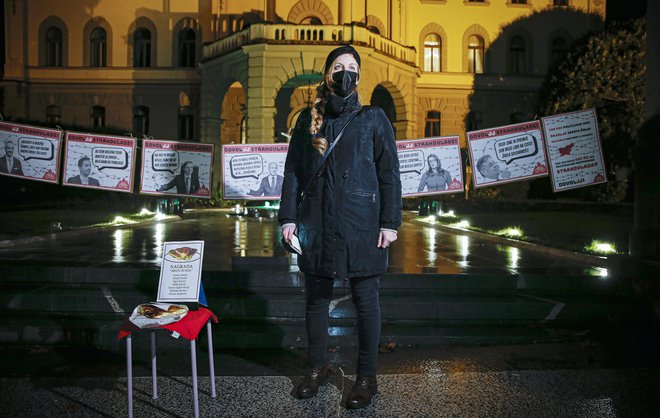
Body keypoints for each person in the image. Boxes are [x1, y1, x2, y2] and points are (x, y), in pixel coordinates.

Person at [279, 45, 402, 410]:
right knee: (316, 300)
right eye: (338, 66)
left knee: (366, 301)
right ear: (328, 74)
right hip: (316, 223)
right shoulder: (307, 120)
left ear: (358, 77)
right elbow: (292, 173)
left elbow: (389, 174)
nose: (345, 72)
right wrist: (287, 218)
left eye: (351, 67)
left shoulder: (374, 118)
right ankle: (317, 368)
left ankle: (366, 377)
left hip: (362, 224)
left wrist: (390, 223)